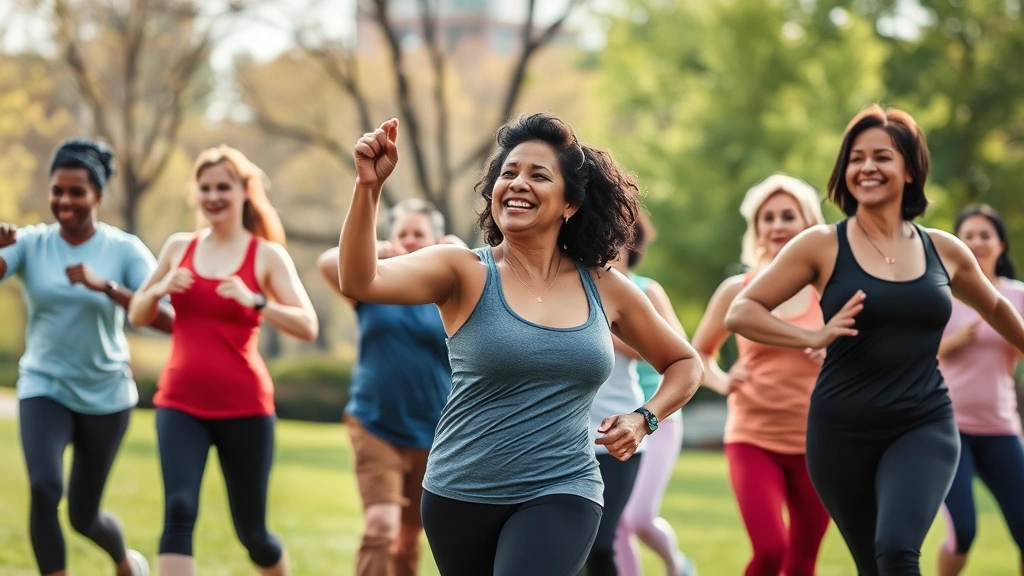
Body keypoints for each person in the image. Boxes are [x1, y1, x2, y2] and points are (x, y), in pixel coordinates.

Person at [337, 114, 704, 576]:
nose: (517, 183)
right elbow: (360, 278)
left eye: (538, 175)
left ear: (569, 204)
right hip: (459, 490)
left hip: (563, 487)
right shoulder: (462, 270)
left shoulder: (605, 287)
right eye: (508, 173)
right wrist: (367, 186)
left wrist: (645, 417)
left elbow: (685, 363)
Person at [725, 104, 1024, 576]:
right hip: (840, 432)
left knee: (898, 550)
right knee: (873, 565)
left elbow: (998, 308)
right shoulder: (821, 245)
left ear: (909, 169)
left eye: (882, 156)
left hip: (922, 422)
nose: (867, 167)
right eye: (856, 157)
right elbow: (742, 311)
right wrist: (813, 333)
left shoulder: (943, 249)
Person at [128, 145, 318, 576]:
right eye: (205, 188)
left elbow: (307, 325)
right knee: (178, 509)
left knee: (253, 533)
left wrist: (256, 300)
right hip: (179, 402)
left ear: (244, 192)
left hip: (245, 408)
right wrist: (158, 290)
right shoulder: (179, 247)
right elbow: (137, 314)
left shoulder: (266, 255)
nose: (213, 196)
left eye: (223, 188)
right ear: (195, 194)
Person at [0, 139, 168, 576]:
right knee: (43, 487)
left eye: (77, 191)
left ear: (98, 196)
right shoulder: (32, 242)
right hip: (44, 384)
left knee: (83, 516)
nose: (64, 201)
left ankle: (124, 561)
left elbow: (168, 319)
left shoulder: (124, 249)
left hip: (106, 395)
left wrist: (106, 288)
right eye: (58, 190)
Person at [690, 173, 830, 576]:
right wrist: (722, 380)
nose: (777, 225)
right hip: (753, 438)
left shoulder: (832, 290)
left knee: (803, 563)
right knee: (771, 550)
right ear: (756, 230)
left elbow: (867, 355)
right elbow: (698, 354)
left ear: (809, 224)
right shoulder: (738, 290)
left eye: (788, 215)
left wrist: (836, 356)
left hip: (818, 443)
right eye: (767, 218)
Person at [317, 198, 462, 576]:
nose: (411, 241)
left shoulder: (447, 294)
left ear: (435, 240)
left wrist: (456, 250)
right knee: (381, 526)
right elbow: (326, 263)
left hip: (432, 431)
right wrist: (374, 251)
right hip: (374, 423)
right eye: (403, 233)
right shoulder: (371, 284)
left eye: (419, 234)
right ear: (390, 238)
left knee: (407, 540)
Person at [936, 204, 1024, 576]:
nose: (976, 242)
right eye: (967, 235)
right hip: (947, 429)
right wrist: (952, 342)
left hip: (1001, 427)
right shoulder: (940, 295)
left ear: (1001, 245)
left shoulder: (1017, 297)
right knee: (963, 531)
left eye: (984, 235)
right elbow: (912, 354)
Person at [613, 218, 698, 576]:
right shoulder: (579, 291)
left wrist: (607, 330)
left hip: (656, 416)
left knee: (640, 518)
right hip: (607, 422)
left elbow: (679, 351)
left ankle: (676, 565)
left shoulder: (646, 290)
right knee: (615, 523)